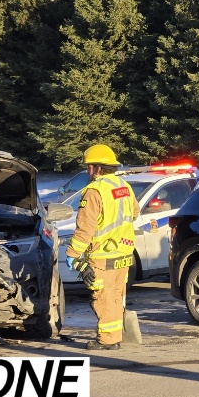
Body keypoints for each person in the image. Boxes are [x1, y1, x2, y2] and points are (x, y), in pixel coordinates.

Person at [65, 144, 139, 350]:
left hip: (103, 254)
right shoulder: (124, 186)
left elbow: (85, 227)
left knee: (102, 298)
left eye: (89, 167)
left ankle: (107, 341)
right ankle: (114, 337)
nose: (87, 171)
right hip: (124, 252)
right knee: (115, 296)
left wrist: (73, 253)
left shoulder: (94, 190)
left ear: (97, 168)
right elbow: (134, 213)